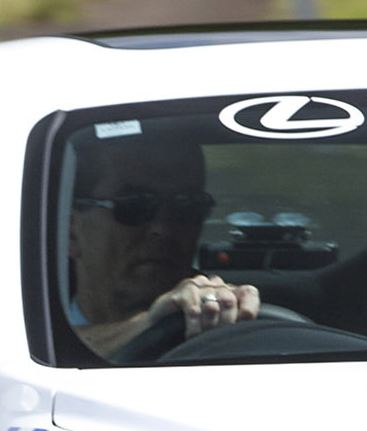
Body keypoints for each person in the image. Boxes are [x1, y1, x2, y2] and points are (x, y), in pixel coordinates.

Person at [67, 133, 261, 359]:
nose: (163, 228)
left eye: (188, 206)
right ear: (71, 231)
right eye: (135, 205)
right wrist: (150, 326)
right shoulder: (23, 323)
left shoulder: (225, 313)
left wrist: (230, 317)